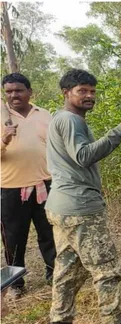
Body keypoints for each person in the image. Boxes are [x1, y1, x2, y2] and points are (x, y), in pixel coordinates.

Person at [45, 69, 121, 324]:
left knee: (67, 269)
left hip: (62, 205)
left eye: (92, 91)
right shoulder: (70, 120)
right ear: (67, 93)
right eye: (82, 91)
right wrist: (120, 130)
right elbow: (83, 156)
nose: (89, 96)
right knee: (106, 267)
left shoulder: (64, 119)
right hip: (79, 207)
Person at [1, 73, 56, 299]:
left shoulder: (44, 115)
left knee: (50, 233)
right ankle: (16, 283)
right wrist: (4, 139)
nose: (14, 95)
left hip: (45, 184)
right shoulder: (2, 117)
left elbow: (55, 147)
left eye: (19, 90)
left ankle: (53, 274)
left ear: (30, 92)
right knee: (14, 238)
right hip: (11, 189)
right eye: (9, 91)